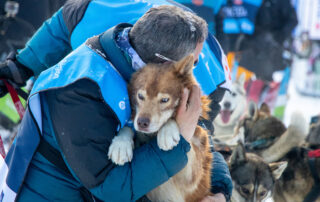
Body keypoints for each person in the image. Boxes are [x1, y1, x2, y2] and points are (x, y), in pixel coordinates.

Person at [0, 1, 232, 202]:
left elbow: (199, 134)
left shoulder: (153, 66)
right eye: (194, 62)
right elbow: (111, 188)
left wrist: (220, 190)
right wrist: (20, 67)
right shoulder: (83, 89)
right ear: (166, 64)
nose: (197, 68)